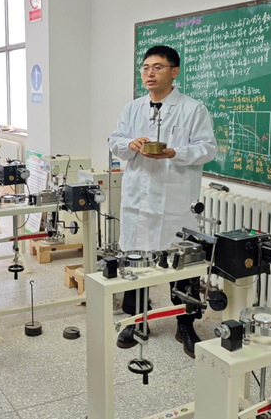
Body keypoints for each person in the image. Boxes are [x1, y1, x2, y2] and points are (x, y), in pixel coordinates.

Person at [109, 45, 217, 358]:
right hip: (139, 199)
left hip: (175, 199)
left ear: (174, 72)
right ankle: (136, 319)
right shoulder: (133, 108)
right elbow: (115, 141)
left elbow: (208, 148)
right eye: (145, 68)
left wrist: (175, 153)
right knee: (136, 257)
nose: (150, 73)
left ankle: (186, 324)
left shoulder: (193, 109)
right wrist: (130, 144)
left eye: (157, 67)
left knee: (182, 261)